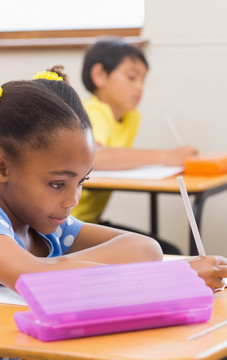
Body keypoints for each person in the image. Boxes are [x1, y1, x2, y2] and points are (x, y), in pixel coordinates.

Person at [0, 68, 227, 360]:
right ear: (2, 168)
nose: (72, 199)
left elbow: (146, 249)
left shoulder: (45, 223)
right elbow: (36, 281)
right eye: (57, 184)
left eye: (81, 181)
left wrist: (59, 267)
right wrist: (171, 279)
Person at [71, 38, 198, 254]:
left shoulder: (131, 117)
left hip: (91, 222)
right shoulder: (93, 110)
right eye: (131, 77)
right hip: (68, 225)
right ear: (100, 75)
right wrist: (167, 156)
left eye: (143, 80)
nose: (139, 86)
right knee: (164, 252)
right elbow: (96, 157)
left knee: (164, 250)